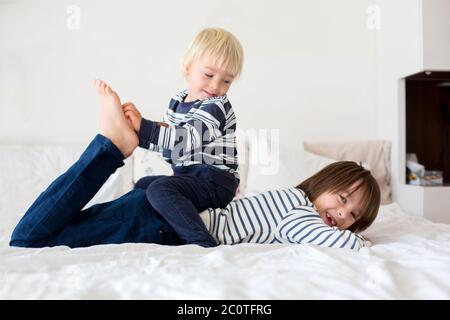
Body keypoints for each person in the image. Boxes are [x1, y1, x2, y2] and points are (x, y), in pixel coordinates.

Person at [9, 81, 380, 251]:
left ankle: (112, 147)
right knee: (29, 240)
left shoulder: (290, 201)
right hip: (163, 222)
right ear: (323, 183)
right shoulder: (300, 214)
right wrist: (361, 240)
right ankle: (111, 147)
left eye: (354, 215)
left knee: (39, 236)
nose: (343, 213)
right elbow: (345, 245)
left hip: (154, 212)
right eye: (344, 197)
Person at [122, 28, 244, 248]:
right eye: (209, 75)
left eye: (226, 81)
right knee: (143, 185)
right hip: (191, 177)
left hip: (215, 181)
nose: (216, 86)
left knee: (160, 189)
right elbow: (169, 146)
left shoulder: (216, 106)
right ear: (188, 69)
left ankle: (201, 241)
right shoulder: (177, 101)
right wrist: (136, 134)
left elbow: (186, 139)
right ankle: (157, 228)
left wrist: (144, 127)